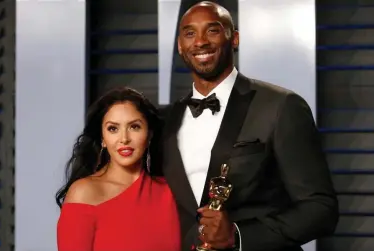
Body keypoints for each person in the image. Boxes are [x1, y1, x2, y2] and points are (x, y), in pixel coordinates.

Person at [161, 1, 339, 251]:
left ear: (234, 38)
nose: (200, 42)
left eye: (212, 30)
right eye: (190, 33)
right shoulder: (165, 121)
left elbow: (320, 209)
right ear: (180, 46)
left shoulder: (280, 106)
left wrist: (238, 236)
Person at [56, 87, 180, 251]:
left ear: (149, 134)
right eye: (113, 129)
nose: (124, 139)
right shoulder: (84, 193)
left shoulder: (171, 192)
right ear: (103, 139)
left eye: (134, 127)